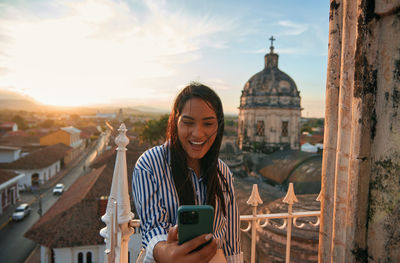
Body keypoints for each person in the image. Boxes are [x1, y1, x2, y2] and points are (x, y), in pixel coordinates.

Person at [132, 83, 243, 263]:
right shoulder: (150, 164)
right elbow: (153, 228)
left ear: (218, 126)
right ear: (175, 122)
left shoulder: (223, 173)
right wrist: (165, 252)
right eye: (188, 122)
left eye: (208, 123)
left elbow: (231, 241)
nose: (198, 133)